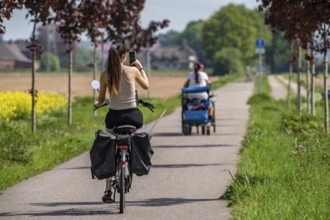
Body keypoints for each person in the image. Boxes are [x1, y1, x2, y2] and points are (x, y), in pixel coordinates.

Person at [94, 41, 149, 203]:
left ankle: (107, 189)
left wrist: (97, 104)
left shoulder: (105, 75)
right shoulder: (132, 71)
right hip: (133, 117)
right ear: (125, 56)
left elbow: (102, 98)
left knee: (110, 147)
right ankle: (133, 157)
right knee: (135, 136)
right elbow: (146, 85)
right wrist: (139, 66)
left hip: (114, 119)